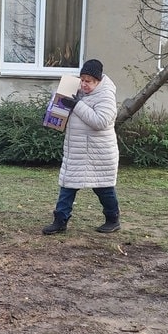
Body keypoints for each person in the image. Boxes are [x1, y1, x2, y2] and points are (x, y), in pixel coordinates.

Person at [42, 59, 121, 235]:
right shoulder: (76, 90)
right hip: (76, 150)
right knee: (67, 185)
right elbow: (67, 116)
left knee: (104, 188)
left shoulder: (106, 95)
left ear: (98, 81)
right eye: (82, 79)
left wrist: (77, 105)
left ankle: (113, 219)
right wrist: (52, 114)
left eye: (89, 81)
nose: (84, 84)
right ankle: (60, 221)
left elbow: (100, 122)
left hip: (99, 153)